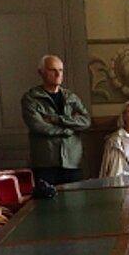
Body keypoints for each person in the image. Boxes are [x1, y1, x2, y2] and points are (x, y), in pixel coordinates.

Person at [20, 55, 91, 186]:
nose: (58, 74)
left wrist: (55, 119)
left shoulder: (71, 97)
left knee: (76, 202)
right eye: (53, 70)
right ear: (41, 72)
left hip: (73, 161)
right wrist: (68, 130)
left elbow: (85, 121)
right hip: (46, 162)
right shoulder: (31, 98)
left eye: (61, 70)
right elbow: (38, 126)